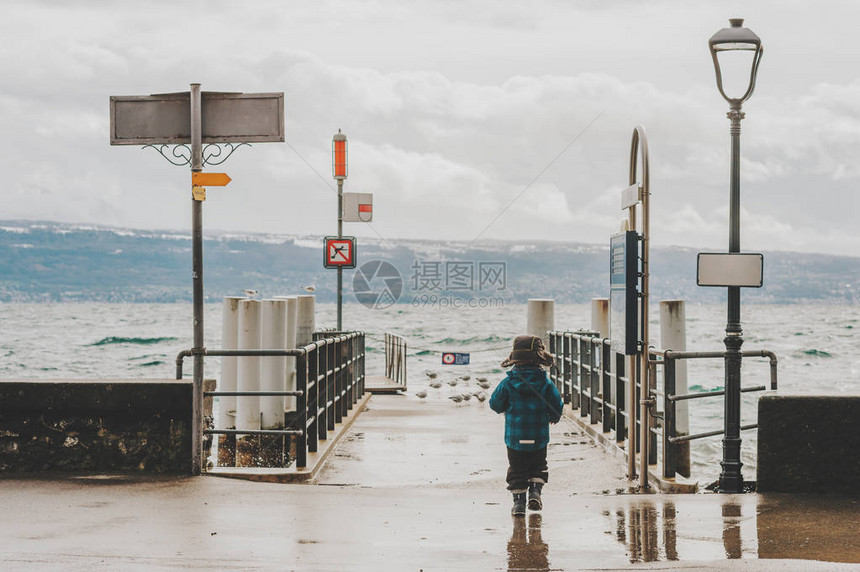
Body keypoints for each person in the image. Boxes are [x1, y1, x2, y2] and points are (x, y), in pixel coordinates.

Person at [490, 335, 563, 517]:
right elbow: (557, 404)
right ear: (539, 359)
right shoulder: (545, 382)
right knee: (539, 465)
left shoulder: (508, 383)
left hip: (515, 436)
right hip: (538, 435)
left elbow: (494, 404)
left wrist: (506, 408)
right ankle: (536, 492)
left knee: (517, 469)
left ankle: (519, 504)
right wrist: (554, 416)